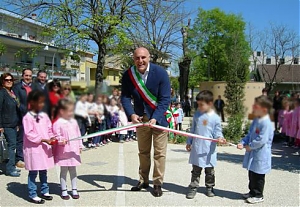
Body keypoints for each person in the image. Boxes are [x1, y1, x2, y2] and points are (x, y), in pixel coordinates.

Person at [121, 47, 171, 197]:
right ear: (133, 59)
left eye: (143, 57)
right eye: (137, 58)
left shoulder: (161, 73)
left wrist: (155, 117)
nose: (140, 61)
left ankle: (157, 183)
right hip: (141, 119)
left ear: (149, 58)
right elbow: (124, 97)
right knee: (143, 152)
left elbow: (165, 99)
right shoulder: (129, 75)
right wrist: (131, 114)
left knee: (159, 153)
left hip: (159, 119)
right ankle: (143, 180)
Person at [185, 90, 226, 199]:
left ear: (210, 104)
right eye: (197, 104)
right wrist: (189, 142)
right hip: (197, 148)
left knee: (210, 171)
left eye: (201, 105)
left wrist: (219, 138)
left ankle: (209, 187)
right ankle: (193, 187)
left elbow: (217, 131)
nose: (199, 107)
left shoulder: (215, 118)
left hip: (209, 149)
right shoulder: (197, 115)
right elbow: (193, 130)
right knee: (196, 170)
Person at [237, 95, 274, 204]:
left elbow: (261, 140)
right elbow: (250, 135)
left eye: (256, 106)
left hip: (261, 154)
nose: (253, 107)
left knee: (258, 175)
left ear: (264, 109)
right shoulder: (256, 120)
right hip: (253, 153)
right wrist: (242, 142)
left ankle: (258, 195)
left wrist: (250, 146)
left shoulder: (266, 122)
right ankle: (252, 192)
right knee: (252, 173)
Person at [22, 90, 56, 204]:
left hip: (44, 148)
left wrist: (51, 138)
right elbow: (29, 133)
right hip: (34, 149)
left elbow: (49, 129)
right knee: (33, 172)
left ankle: (44, 190)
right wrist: (43, 139)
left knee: (43, 170)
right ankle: (32, 194)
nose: (41, 104)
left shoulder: (44, 115)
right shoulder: (28, 117)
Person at [52, 99, 83, 200]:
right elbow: (56, 135)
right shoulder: (58, 123)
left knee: (73, 170)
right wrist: (61, 140)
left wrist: (80, 145)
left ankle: (74, 189)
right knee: (64, 170)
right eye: (69, 111)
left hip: (73, 150)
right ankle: (64, 190)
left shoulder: (73, 121)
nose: (71, 113)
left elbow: (78, 134)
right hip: (63, 151)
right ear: (62, 111)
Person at [0, 73, 21, 177]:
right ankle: (10, 169)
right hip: (6, 124)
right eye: (6, 80)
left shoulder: (11, 92)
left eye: (11, 80)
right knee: (12, 146)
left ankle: (11, 166)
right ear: (2, 81)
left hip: (13, 123)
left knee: (12, 145)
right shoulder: (2, 93)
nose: (9, 81)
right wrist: (0, 126)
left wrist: (17, 123)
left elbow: (15, 109)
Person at [13, 68, 33, 168]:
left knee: (30, 137)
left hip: (33, 117)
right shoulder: (17, 87)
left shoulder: (34, 87)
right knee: (21, 137)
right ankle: (19, 158)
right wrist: (25, 111)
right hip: (22, 116)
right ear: (22, 76)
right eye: (26, 75)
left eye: (30, 76)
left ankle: (28, 156)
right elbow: (16, 101)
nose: (28, 78)